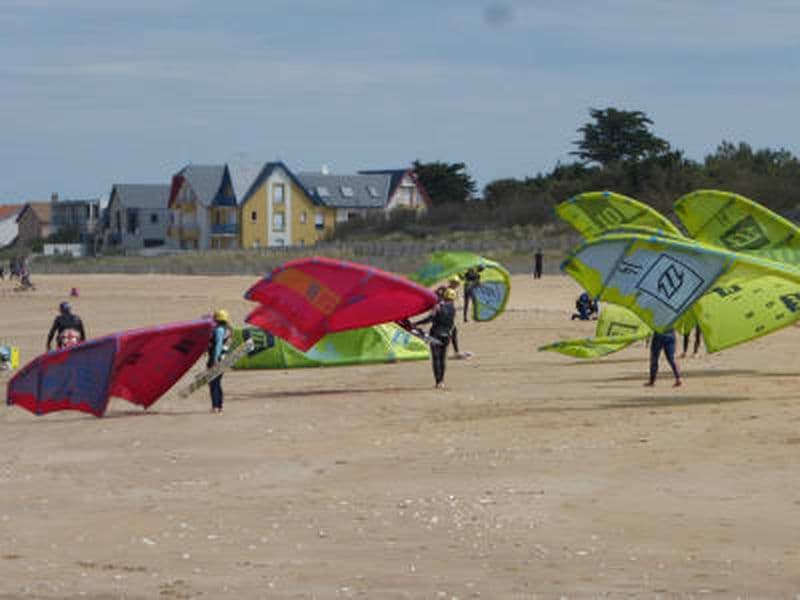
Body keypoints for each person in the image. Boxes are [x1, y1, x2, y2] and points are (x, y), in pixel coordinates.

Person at [413, 287, 457, 388]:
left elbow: (430, 319)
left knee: (436, 358)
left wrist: (416, 323)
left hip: (436, 334)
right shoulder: (453, 309)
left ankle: (438, 382)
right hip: (447, 336)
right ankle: (442, 381)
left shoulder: (437, 306)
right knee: (442, 358)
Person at [208, 308, 232, 413]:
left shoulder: (219, 330)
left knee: (213, 383)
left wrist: (215, 359)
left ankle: (215, 407)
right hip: (224, 359)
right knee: (217, 383)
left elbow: (218, 345)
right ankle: (219, 406)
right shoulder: (228, 330)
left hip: (217, 360)